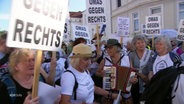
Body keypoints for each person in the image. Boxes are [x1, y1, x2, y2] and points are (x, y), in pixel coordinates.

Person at [95, 39, 132, 104]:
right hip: (109, 92)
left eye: (110, 48)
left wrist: (133, 79)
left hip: (124, 91)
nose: (108, 50)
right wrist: (101, 74)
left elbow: (132, 74)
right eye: (107, 48)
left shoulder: (127, 59)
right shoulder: (104, 60)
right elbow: (97, 73)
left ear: (117, 48)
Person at [128, 35, 155, 104]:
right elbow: (130, 69)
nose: (141, 44)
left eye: (142, 42)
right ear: (135, 45)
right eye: (138, 43)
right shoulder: (131, 55)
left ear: (145, 43)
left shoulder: (151, 53)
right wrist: (138, 74)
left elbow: (153, 67)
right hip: (136, 82)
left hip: (148, 81)